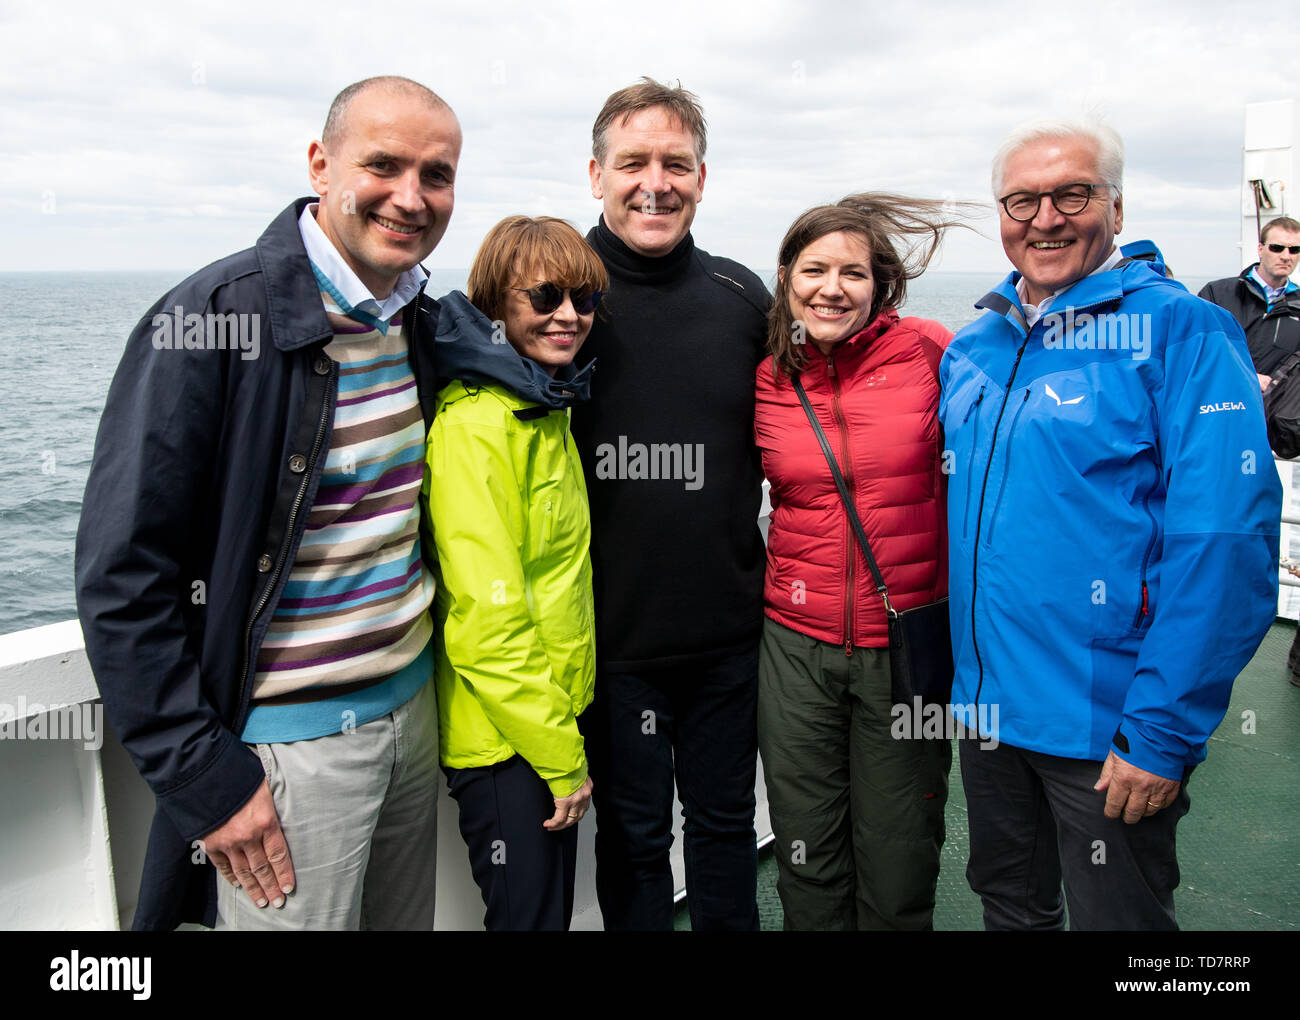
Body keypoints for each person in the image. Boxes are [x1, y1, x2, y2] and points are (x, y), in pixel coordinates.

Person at [74, 76, 461, 930]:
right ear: (321, 164)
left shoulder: (419, 322)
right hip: (286, 753)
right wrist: (203, 779)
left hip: (413, 712)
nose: (411, 197)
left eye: (436, 175)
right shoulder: (212, 318)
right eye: (384, 165)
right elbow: (120, 575)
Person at [940, 117, 1281, 930]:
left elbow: (1226, 543)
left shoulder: (1181, 330)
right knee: (1011, 907)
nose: (1045, 218)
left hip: (1108, 724)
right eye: (1022, 200)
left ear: (1117, 210)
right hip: (989, 713)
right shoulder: (976, 343)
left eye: (1073, 194)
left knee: (1119, 923)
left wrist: (1161, 731)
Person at [569, 78, 770, 930]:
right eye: (634, 162)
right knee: (635, 841)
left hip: (730, 635)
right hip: (612, 646)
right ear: (596, 174)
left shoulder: (741, 297)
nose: (656, 182)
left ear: (701, 177)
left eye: (676, 164)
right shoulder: (554, 300)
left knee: (726, 833)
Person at [754, 194, 961, 930]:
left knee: (901, 849)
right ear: (786, 277)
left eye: (853, 272)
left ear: (882, 286)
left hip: (904, 644)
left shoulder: (932, 351)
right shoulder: (769, 377)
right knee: (806, 850)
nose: (831, 288)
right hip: (794, 644)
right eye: (814, 269)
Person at [423, 216, 604, 930]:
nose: (569, 316)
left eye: (585, 300)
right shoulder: (479, 426)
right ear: (498, 303)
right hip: (509, 746)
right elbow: (487, 624)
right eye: (546, 296)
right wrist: (561, 757)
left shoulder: (539, 405)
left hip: (541, 727)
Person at [1198, 217, 1300, 686]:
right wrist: (1245, 378)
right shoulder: (1219, 294)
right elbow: (1189, 355)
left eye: (1295, 250)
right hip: (1210, 440)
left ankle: (1220, 657)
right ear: (1259, 247)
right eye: (1277, 246)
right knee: (1199, 541)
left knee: (1245, 545)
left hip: (1262, 448)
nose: (1285, 255)